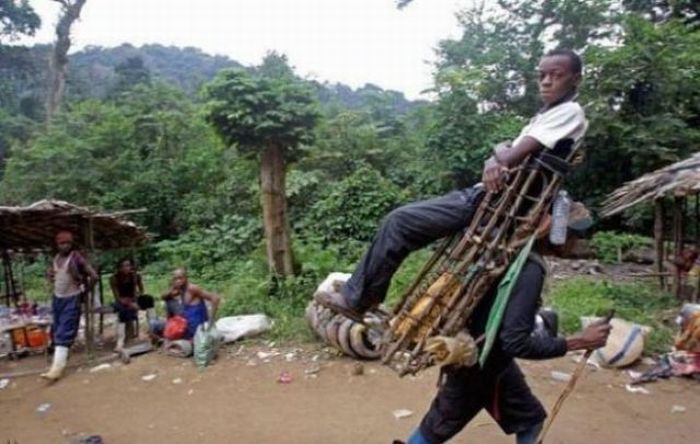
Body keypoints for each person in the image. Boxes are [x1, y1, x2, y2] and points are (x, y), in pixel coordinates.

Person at [315, 48, 588, 324]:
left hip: (494, 201)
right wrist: (497, 156)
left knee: (399, 222)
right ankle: (366, 295)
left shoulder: (569, 112)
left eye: (556, 75)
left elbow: (509, 156)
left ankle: (358, 299)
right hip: (495, 197)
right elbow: (507, 154)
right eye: (542, 75)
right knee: (403, 226)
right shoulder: (547, 115)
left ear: (575, 79)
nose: (546, 82)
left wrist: (497, 154)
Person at [397, 214, 611, 444]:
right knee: (435, 429)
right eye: (574, 236)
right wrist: (579, 342)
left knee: (530, 420)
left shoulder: (507, 253)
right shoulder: (529, 269)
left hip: (491, 361)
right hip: (478, 368)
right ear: (557, 234)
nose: (576, 243)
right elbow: (515, 342)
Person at [42, 230, 98, 381]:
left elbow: (94, 276)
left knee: (65, 330)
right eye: (62, 243)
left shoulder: (76, 257)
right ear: (57, 244)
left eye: (68, 243)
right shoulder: (56, 258)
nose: (65, 246)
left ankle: (57, 369)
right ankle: (60, 358)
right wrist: (50, 277)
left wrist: (84, 293)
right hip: (57, 298)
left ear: (72, 244)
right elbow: (51, 274)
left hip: (72, 297)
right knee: (57, 328)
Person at [150, 268, 221, 341]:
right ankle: (168, 328)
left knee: (156, 325)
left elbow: (215, 298)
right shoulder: (180, 288)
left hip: (194, 327)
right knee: (155, 322)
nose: (178, 281)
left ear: (186, 278)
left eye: (180, 278)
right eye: (175, 279)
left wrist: (211, 322)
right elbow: (163, 296)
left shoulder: (192, 288)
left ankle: (168, 334)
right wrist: (172, 290)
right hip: (185, 323)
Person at [110, 258, 145, 351]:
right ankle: (120, 340)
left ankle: (154, 332)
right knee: (123, 310)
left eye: (128, 265)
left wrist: (136, 298)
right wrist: (128, 302)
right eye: (123, 266)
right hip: (122, 301)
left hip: (133, 299)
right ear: (119, 268)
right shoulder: (114, 278)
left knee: (148, 300)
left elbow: (141, 290)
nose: (126, 268)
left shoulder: (135, 276)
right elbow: (117, 296)